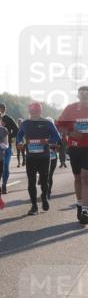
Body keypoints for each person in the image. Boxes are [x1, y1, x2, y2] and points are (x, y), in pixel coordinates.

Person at [15, 103, 62, 215]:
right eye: (32, 111)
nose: (34, 113)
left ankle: (44, 197)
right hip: (30, 157)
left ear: (40, 111)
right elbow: (19, 136)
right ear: (29, 112)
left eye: (36, 111)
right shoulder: (25, 123)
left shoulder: (47, 123)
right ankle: (34, 206)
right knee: (31, 182)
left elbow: (57, 136)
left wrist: (48, 141)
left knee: (44, 181)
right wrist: (19, 142)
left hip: (44, 157)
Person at [56, 85, 88, 224]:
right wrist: (70, 133)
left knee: (85, 178)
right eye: (82, 94)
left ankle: (85, 210)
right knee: (77, 178)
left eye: (86, 94)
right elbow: (59, 125)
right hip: (75, 147)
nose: (84, 97)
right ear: (78, 96)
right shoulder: (71, 108)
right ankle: (80, 204)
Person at [0, 102, 19, 193]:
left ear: (3, 110)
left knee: (5, 167)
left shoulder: (8, 119)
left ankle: (4, 185)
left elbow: (17, 130)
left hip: (6, 147)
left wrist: (8, 136)